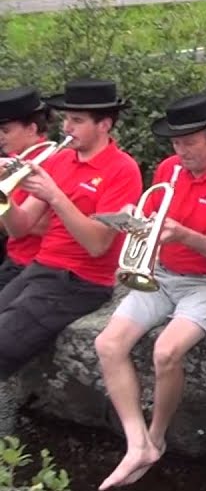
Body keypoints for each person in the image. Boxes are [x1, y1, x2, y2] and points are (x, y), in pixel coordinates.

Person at [94, 93, 206, 491]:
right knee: (107, 344)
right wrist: (139, 234)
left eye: (188, 142)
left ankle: (156, 437)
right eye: (175, 143)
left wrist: (187, 236)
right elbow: (156, 227)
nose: (179, 151)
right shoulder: (169, 169)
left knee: (166, 351)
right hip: (165, 275)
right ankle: (136, 443)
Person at [0, 79, 143, 379]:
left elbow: (97, 245)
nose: (66, 128)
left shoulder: (122, 169)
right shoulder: (60, 160)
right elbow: (20, 229)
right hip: (40, 270)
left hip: (81, 282)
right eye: (66, 119)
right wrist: (6, 199)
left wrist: (55, 196)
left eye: (77, 121)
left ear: (104, 125)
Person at [0, 86, 53, 289]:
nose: (0, 137)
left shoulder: (49, 162)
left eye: (5, 131)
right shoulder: (13, 160)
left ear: (31, 129)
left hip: (31, 263)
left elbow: (43, 226)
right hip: (13, 257)